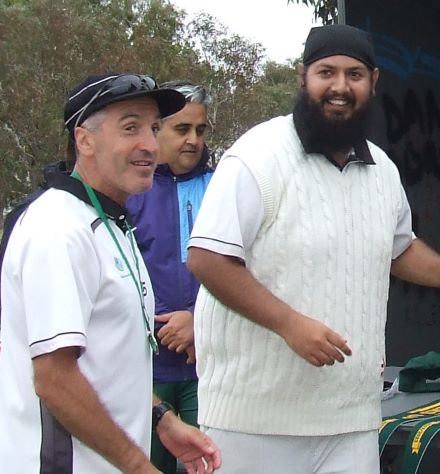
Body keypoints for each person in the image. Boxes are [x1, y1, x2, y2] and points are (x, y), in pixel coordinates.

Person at [186, 24, 440, 474]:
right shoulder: (257, 156)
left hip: (353, 419)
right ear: (303, 77)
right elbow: (208, 258)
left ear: (373, 82)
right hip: (254, 423)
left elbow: (399, 251)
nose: (340, 87)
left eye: (354, 75)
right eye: (327, 72)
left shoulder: (382, 170)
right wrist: (289, 324)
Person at [0, 72, 221, 474]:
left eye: (154, 128)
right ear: (84, 140)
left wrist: (163, 421)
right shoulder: (57, 229)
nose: (150, 145)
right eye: (130, 128)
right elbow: (55, 379)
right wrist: (139, 467)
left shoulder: (113, 224)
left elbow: (109, 361)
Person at [126, 81, 213, 474]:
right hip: (144, 373)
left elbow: (246, 268)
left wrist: (197, 318)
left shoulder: (222, 186)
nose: (193, 140)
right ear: (157, 131)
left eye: (201, 130)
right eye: (182, 130)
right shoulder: (130, 191)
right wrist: (165, 322)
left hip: (207, 367)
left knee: (209, 465)